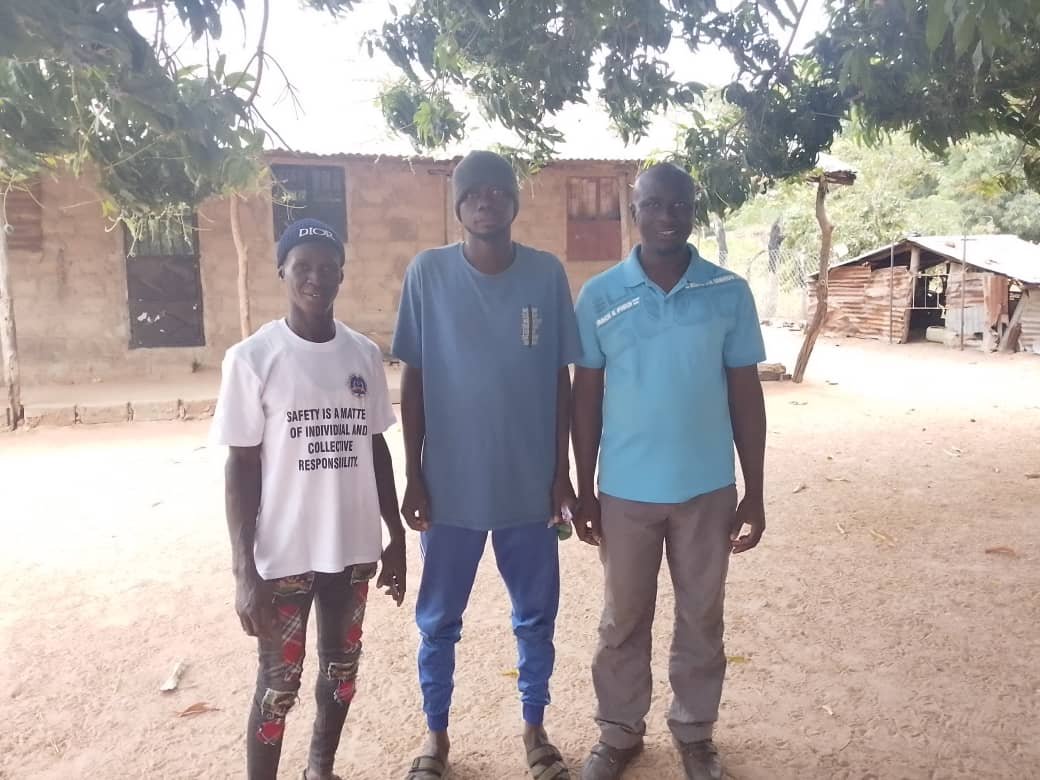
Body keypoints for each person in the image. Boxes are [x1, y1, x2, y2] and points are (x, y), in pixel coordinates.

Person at [571, 164, 767, 780]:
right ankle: (619, 733)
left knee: (702, 617)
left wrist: (755, 490)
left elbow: (746, 396)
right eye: (653, 204)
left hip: (707, 490)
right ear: (634, 211)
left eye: (679, 205)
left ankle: (695, 732)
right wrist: (584, 488)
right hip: (624, 492)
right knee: (622, 620)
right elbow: (585, 399)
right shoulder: (600, 295)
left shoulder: (728, 292)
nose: (666, 216)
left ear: (693, 212)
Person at [392, 150, 581, 780]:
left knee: (536, 616)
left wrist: (561, 474)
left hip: (530, 486)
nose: (485, 201)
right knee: (438, 620)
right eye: (473, 192)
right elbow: (413, 381)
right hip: (450, 488)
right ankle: (435, 736)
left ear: (514, 201)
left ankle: (534, 729)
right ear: (458, 205)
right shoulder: (427, 273)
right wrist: (414, 475)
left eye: (498, 190)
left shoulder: (546, 275)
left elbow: (561, 381)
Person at [212, 218, 407, 780]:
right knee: (279, 685)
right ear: (282, 272)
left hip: (352, 550)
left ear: (342, 274)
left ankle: (320, 771)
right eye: (303, 267)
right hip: (284, 556)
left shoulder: (363, 354)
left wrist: (394, 534)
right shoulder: (252, 358)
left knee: (342, 675)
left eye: (327, 268)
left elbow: (375, 448)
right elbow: (240, 467)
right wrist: (244, 571)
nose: (315, 278)